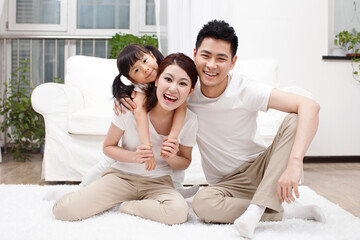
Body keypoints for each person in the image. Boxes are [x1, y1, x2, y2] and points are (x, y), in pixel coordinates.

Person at [116, 20, 325, 238]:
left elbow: (310, 106)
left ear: (233, 62)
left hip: (262, 169)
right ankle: (281, 211)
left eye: (221, 58)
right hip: (226, 185)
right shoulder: (184, 89)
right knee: (202, 205)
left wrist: (295, 163)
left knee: (294, 118)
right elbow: (148, 79)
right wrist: (121, 94)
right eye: (205, 56)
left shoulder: (246, 89)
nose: (211, 65)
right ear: (195, 54)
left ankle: (256, 210)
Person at [52, 53, 199, 225]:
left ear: (190, 91)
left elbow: (185, 161)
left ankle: (126, 206)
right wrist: (134, 157)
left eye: (182, 83)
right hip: (121, 177)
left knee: (178, 213)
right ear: (157, 80)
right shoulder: (129, 107)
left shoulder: (189, 120)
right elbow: (108, 147)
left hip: (159, 183)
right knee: (64, 210)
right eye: (168, 79)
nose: (173, 88)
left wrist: (172, 157)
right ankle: (83, 194)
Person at [80, 44, 199, 199]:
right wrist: (145, 146)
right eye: (136, 70)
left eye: (145, 60)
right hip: (123, 155)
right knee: (102, 167)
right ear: (131, 79)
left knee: (171, 155)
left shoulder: (169, 70)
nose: (145, 69)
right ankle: (81, 189)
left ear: (151, 55)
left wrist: (172, 138)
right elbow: (139, 114)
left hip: (161, 172)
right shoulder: (140, 88)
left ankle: (176, 188)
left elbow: (181, 106)